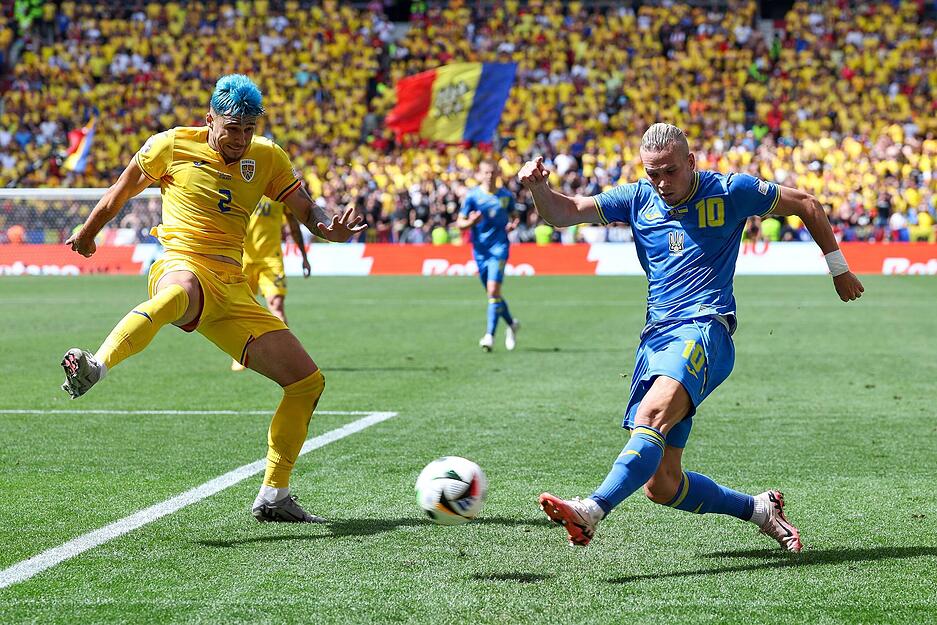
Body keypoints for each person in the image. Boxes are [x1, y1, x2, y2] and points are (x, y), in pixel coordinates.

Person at [517, 123, 864, 551]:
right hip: (656, 340)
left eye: (670, 171)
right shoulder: (637, 198)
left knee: (651, 417)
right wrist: (538, 190)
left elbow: (807, 204)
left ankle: (591, 510)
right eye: (653, 174)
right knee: (662, 485)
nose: (661, 183)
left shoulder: (730, 191)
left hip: (705, 327)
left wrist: (838, 268)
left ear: (692, 163)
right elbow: (564, 213)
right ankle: (760, 510)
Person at [60, 74, 366, 523]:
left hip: (232, 289)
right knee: (181, 290)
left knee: (307, 383)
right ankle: (96, 365)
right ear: (210, 120)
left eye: (249, 129)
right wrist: (87, 233)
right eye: (232, 128)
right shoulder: (170, 145)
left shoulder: (267, 157)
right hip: (181, 263)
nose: (241, 138)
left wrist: (327, 228)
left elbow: (305, 207)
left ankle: (274, 495)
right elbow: (120, 191)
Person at [231, 195, 311, 371]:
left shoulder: (279, 191)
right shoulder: (243, 185)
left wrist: (304, 257)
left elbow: (293, 225)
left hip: (271, 260)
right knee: (240, 308)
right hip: (243, 258)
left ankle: (288, 356)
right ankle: (241, 352)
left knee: (276, 305)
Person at [456, 159, 521, 352]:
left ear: (498, 173)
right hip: (480, 250)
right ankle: (512, 324)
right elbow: (460, 223)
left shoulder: (506, 196)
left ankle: (489, 336)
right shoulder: (473, 196)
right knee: (494, 295)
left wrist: (513, 224)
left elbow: (515, 215)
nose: (489, 175)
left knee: (493, 292)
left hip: (499, 248)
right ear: (479, 174)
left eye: (493, 172)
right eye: (486, 172)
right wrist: (471, 223)